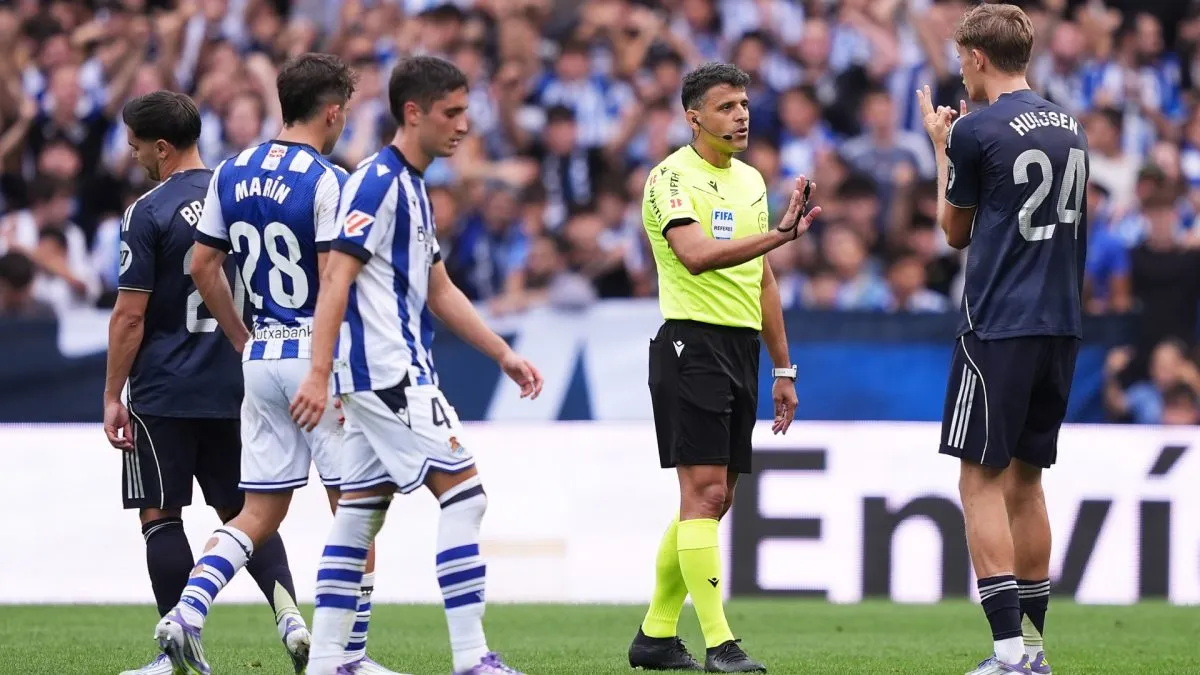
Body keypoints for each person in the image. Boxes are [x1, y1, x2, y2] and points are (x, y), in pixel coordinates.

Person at [288, 55, 543, 675]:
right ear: (414, 113)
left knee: (358, 514)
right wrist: (320, 374)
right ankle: (470, 657)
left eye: (465, 110)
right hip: (389, 374)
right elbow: (335, 280)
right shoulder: (377, 184)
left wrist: (503, 352)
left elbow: (441, 289)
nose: (464, 124)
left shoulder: (414, 186)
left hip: (377, 374)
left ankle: (327, 661)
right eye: (452, 113)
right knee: (465, 497)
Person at [152, 55, 404, 675]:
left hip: (261, 357)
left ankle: (186, 612)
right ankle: (345, 656)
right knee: (358, 509)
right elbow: (331, 279)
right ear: (333, 110)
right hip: (315, 361)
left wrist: (242, 337)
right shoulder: (327, 179)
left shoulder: (232, 169)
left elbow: (202, 267)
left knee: (257, 513)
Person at [101, 91, 305, 675]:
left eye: (137, 144)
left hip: (165, 390)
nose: (134, 153)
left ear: (162, 148)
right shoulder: (237, 198)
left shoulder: (148, 211)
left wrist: (114, 394)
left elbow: (130, 315)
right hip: (239, 384)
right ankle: (290, 618)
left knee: (160, 516)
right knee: (249, 513)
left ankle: (176, 652)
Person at [629, 61, 822, 674]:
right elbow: (694, 256)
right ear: (694, 117)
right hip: (691, 344)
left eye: (744, 104)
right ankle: (720, 645)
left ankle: (655, 635)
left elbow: (761, 278)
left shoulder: (750, 181)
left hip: (739, 349)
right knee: (705, 492)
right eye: (726, 106)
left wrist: (783, 368)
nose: (741, 115)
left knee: (715, 499)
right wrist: (780, 236)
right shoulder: (671, 179)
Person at [916, 4, 1088, 674]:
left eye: (962, 56)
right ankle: (1036, 649)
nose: (959, 66)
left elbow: (952, 232)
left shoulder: (977, 130)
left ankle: (1008, 653)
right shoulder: (1069, 125)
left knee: (978, 481)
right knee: (1027, 482)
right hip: (1061, 323)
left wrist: (939, 145)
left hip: (998, 323)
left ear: (980, 57)